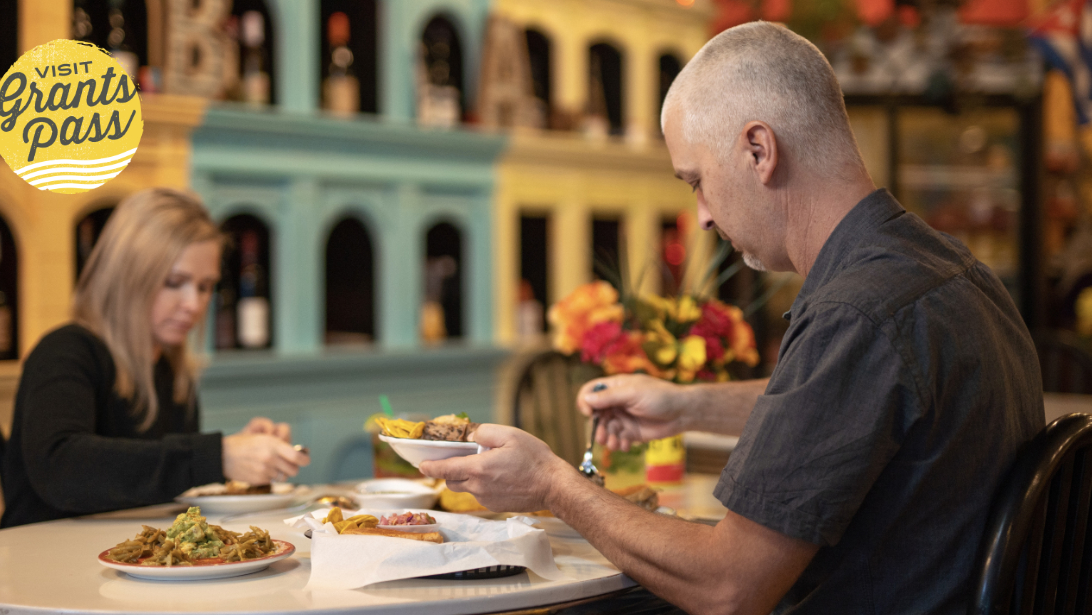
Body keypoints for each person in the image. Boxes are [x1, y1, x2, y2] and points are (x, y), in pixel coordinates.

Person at [420, 22, 1044, 615]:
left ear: (758, 149)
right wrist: (685, 406)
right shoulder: (948, 271)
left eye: (696, 181)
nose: (702, 218)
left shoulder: (857, 313)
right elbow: (851, 411)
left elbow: (727, 588)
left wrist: (551, 484)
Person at [1, 188, 310, 528]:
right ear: (127, 278)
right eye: (175, 282)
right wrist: (216, 456)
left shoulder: (172, 372)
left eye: (205, 286)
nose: (193, 304)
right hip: (38, 560)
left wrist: (242, 458)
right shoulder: (65, 351)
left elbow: (157, 483)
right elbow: (61, 469)